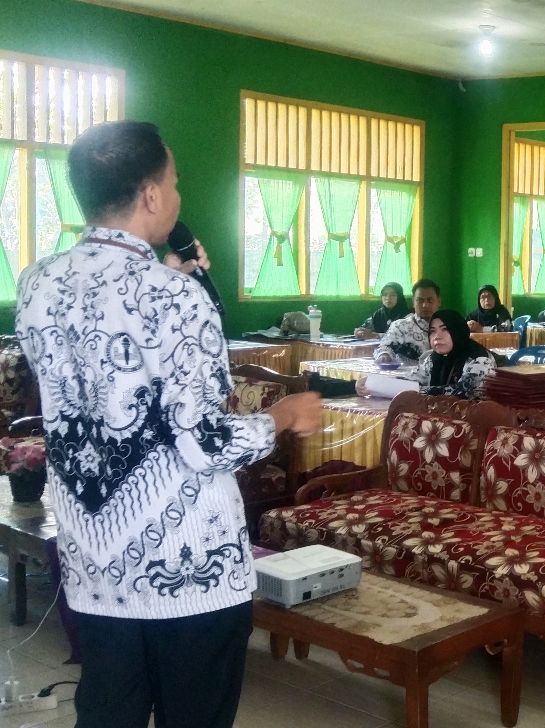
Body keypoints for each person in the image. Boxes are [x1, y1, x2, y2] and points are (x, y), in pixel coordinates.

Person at [13, 121, 323, 728]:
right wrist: (282, 416)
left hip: (95, 565)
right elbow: (205, 442)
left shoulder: (37, 283)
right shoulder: (176, 299)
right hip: (187, 571)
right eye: (175, 182)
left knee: (109, 712)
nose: (179, 196)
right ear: (151, 195)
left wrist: (172, 281)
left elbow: (103, 370)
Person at [417, 310, 497, 399]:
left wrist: (418, 390)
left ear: (458, 330)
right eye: (432, 331)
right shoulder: (433, 358)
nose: (437, 336)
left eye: (445, 329)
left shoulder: (479, 359)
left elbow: (464, 392)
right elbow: (418, 378)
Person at [373, 278, 441, 363]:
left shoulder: (449, 326)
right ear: (413, 302)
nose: (425, 305)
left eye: (430, 300)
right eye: (420, 300)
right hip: (409, 371)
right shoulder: (401, 326)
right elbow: (384, 347)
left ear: (439, 301)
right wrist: (384, 355)